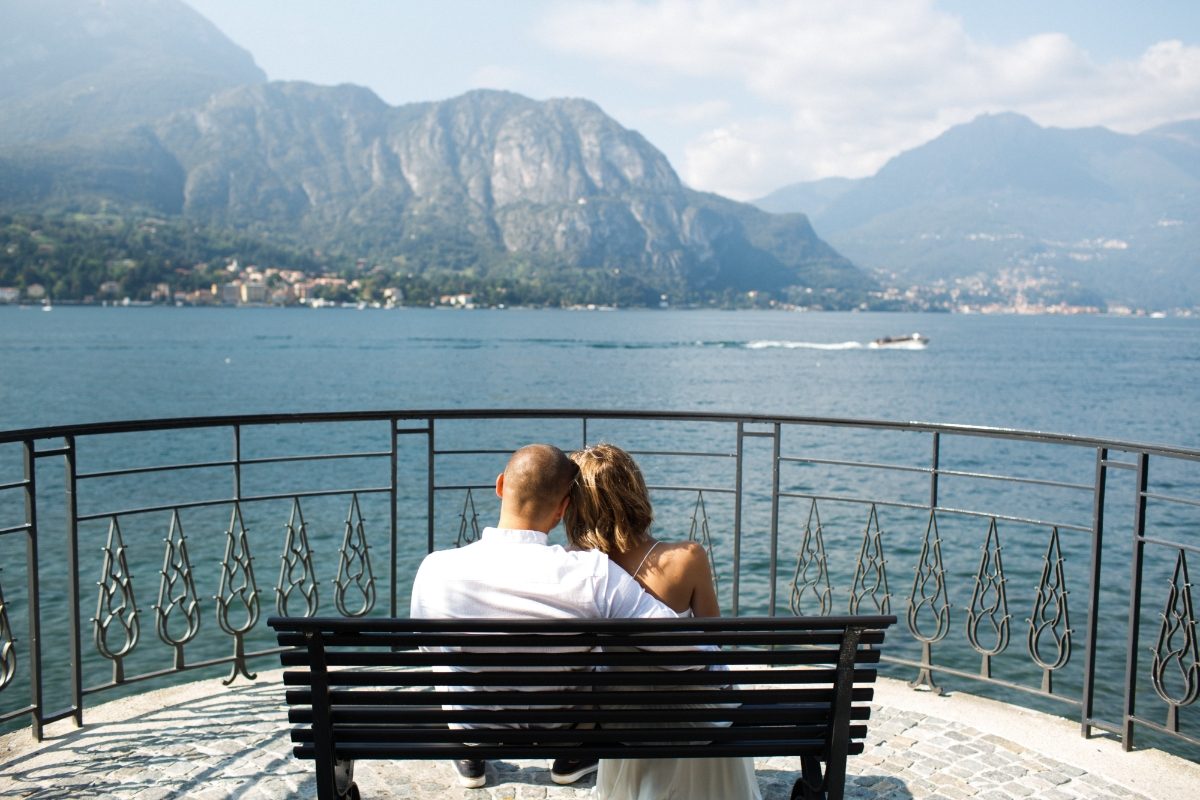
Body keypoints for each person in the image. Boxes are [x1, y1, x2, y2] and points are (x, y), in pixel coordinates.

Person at [409, 443, 682, 790]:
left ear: (500, 485)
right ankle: (573, 756)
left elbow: (429, 650)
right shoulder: (592, 573)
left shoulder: (436, 570)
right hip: (563, 729)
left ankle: (470, 754)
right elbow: (680, 647)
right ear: (563, 510)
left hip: (475, 726)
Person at [566, 443, 763, 800]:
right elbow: (713, 643)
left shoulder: (575, 570)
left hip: (623, 721)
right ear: (635, 491)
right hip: (698, 720)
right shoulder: (687, 558)